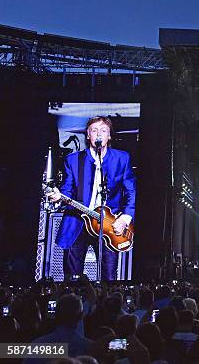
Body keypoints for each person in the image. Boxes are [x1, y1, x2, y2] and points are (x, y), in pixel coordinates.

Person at [48, 116, 136, 281]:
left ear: (109, 136)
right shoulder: (73, 160)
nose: (99, 134)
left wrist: (125, 218)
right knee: (72, 278)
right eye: (94, 131)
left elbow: (131, 191)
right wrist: (59, 196)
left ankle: (107, 306)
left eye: (103, 131)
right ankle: (73, 305)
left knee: (108, 277)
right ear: (88, 135)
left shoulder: (122, 158)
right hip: (78, 222)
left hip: (109, 224)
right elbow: (67, 189)